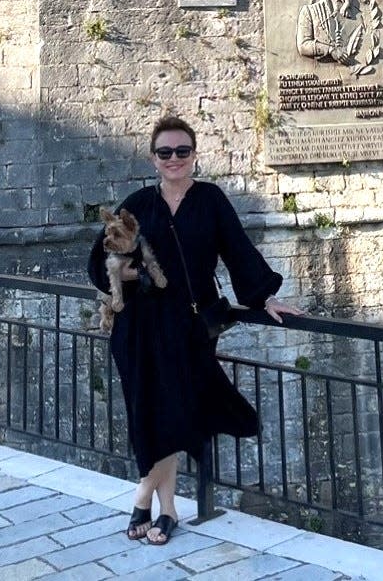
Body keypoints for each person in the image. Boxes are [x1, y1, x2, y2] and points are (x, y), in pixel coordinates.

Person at [87, 115, 303, 545]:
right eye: (165, 152)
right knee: (150, 415)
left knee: (174, 414)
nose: (174, 159)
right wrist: (133, 276)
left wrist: (264, 296)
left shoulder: (210, 200)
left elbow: (237, 249)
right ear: (153, 158)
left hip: (187, 329)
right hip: (139, 329)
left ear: (194, 155)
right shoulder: (138, 205)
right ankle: (166, 511)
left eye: (182, 152)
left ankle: (143, 496)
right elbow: (98, 262)